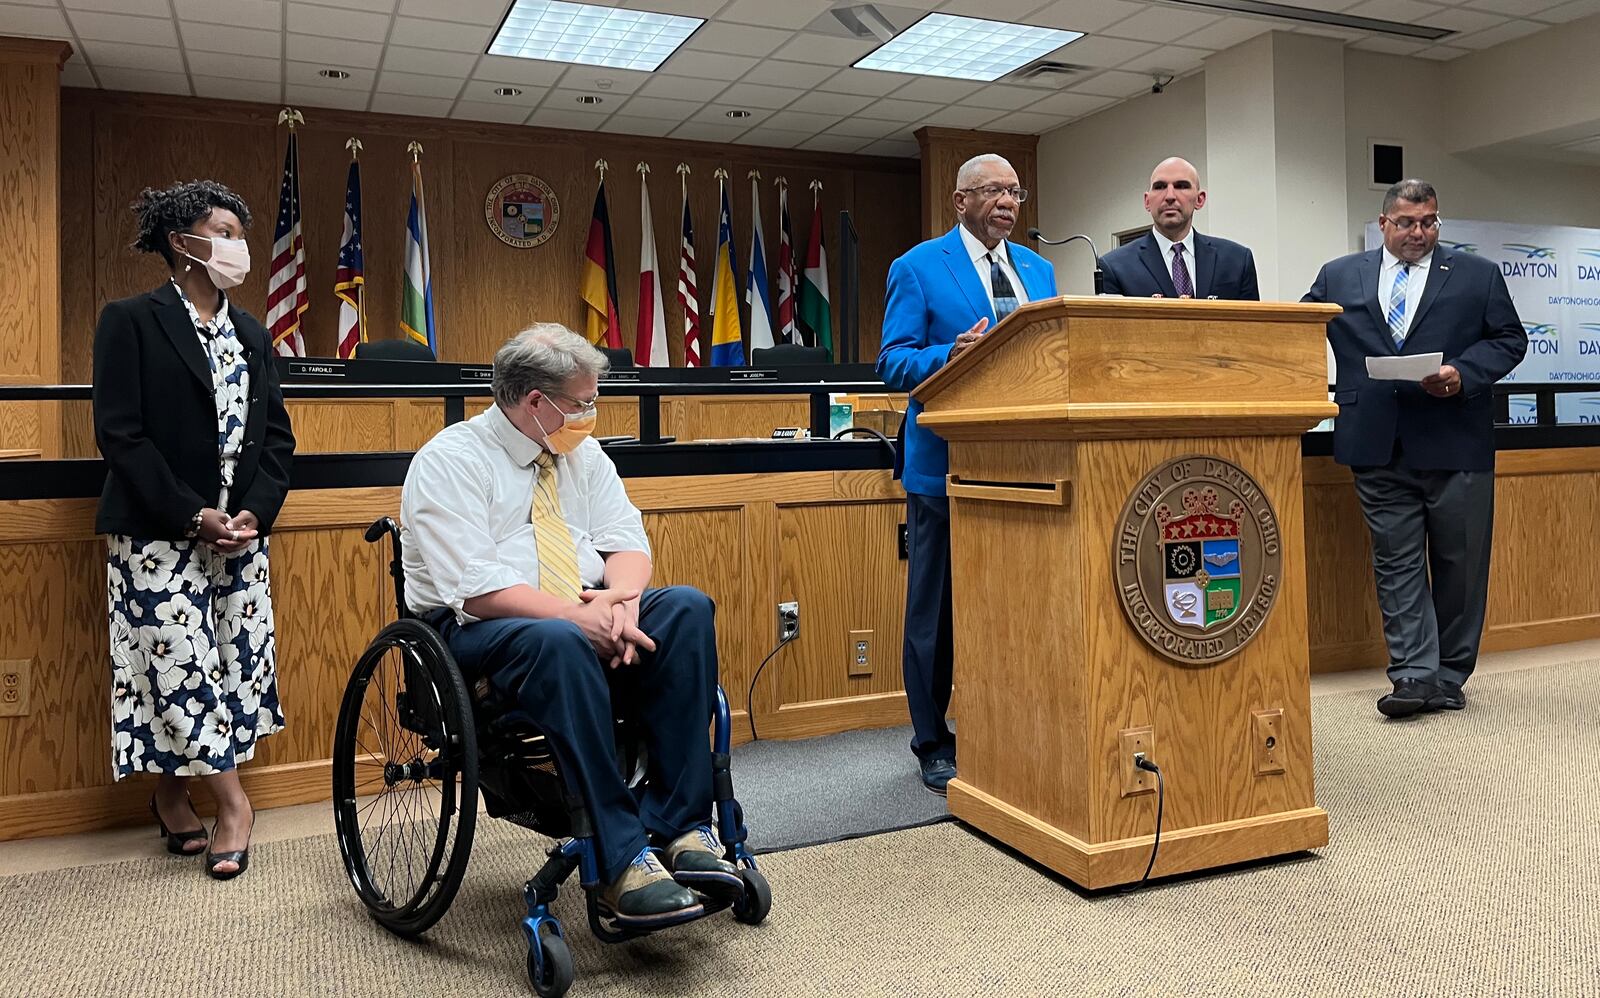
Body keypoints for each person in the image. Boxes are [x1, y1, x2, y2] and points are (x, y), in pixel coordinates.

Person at [400, 323, 739, 929]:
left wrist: (622, 603)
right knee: (557, 638)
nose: (591, 414)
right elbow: (477, 588)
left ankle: (682, 826)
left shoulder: (580, 453)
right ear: (535, 401)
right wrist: (577, 617)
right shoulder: (450, 460)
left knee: (686, 606)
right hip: (484, 629)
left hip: (587, 607)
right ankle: (621, 858)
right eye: (582, 403)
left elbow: (626, 541)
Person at [93, 179, 296, 879]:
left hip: (239, 535)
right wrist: (190, 515)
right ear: (182, 243)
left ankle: (170, 793)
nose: (239, 245)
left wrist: (252, 513)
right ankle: (234, 806)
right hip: (157, 533)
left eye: (240, 232)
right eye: (225, 231)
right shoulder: (130, 321)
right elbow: (121, 436)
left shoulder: (252, 333)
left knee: (235, 666)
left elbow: (276, 440)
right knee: (179, 665)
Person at [1303, 180, 1526, 718]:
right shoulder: (1339, 275)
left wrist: (1463, 372)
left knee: (1460, 564)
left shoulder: (1478, 275)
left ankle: (1450, 674)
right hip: (1376, 441)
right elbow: (1300, 331)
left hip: (1456, 440)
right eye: (1406, 222)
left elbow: (1509, 339)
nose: (1418, 232)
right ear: (1383, 224)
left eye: (1429, 222)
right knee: (1397, 563)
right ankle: (1413, 677)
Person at [876, 154, 1058, 795]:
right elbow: (892, 363)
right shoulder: (919, 267)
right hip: (944, 467)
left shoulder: (1039, 270)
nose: (1008, 202)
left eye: (1015, 191)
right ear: (960, 201)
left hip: (1029, 468)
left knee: (1017, 605)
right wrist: (945, 355)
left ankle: (1005, 722)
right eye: (993, 191)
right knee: (936, 610)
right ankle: (931, 738)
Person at [1099, 157, 1259, 300]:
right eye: (1160, 187)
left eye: (1181, 186)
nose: (1169, 196)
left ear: (1200, 199)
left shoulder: (1236, 261)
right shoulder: (1115, 266)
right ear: (1147, 201)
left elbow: (1252, 329)